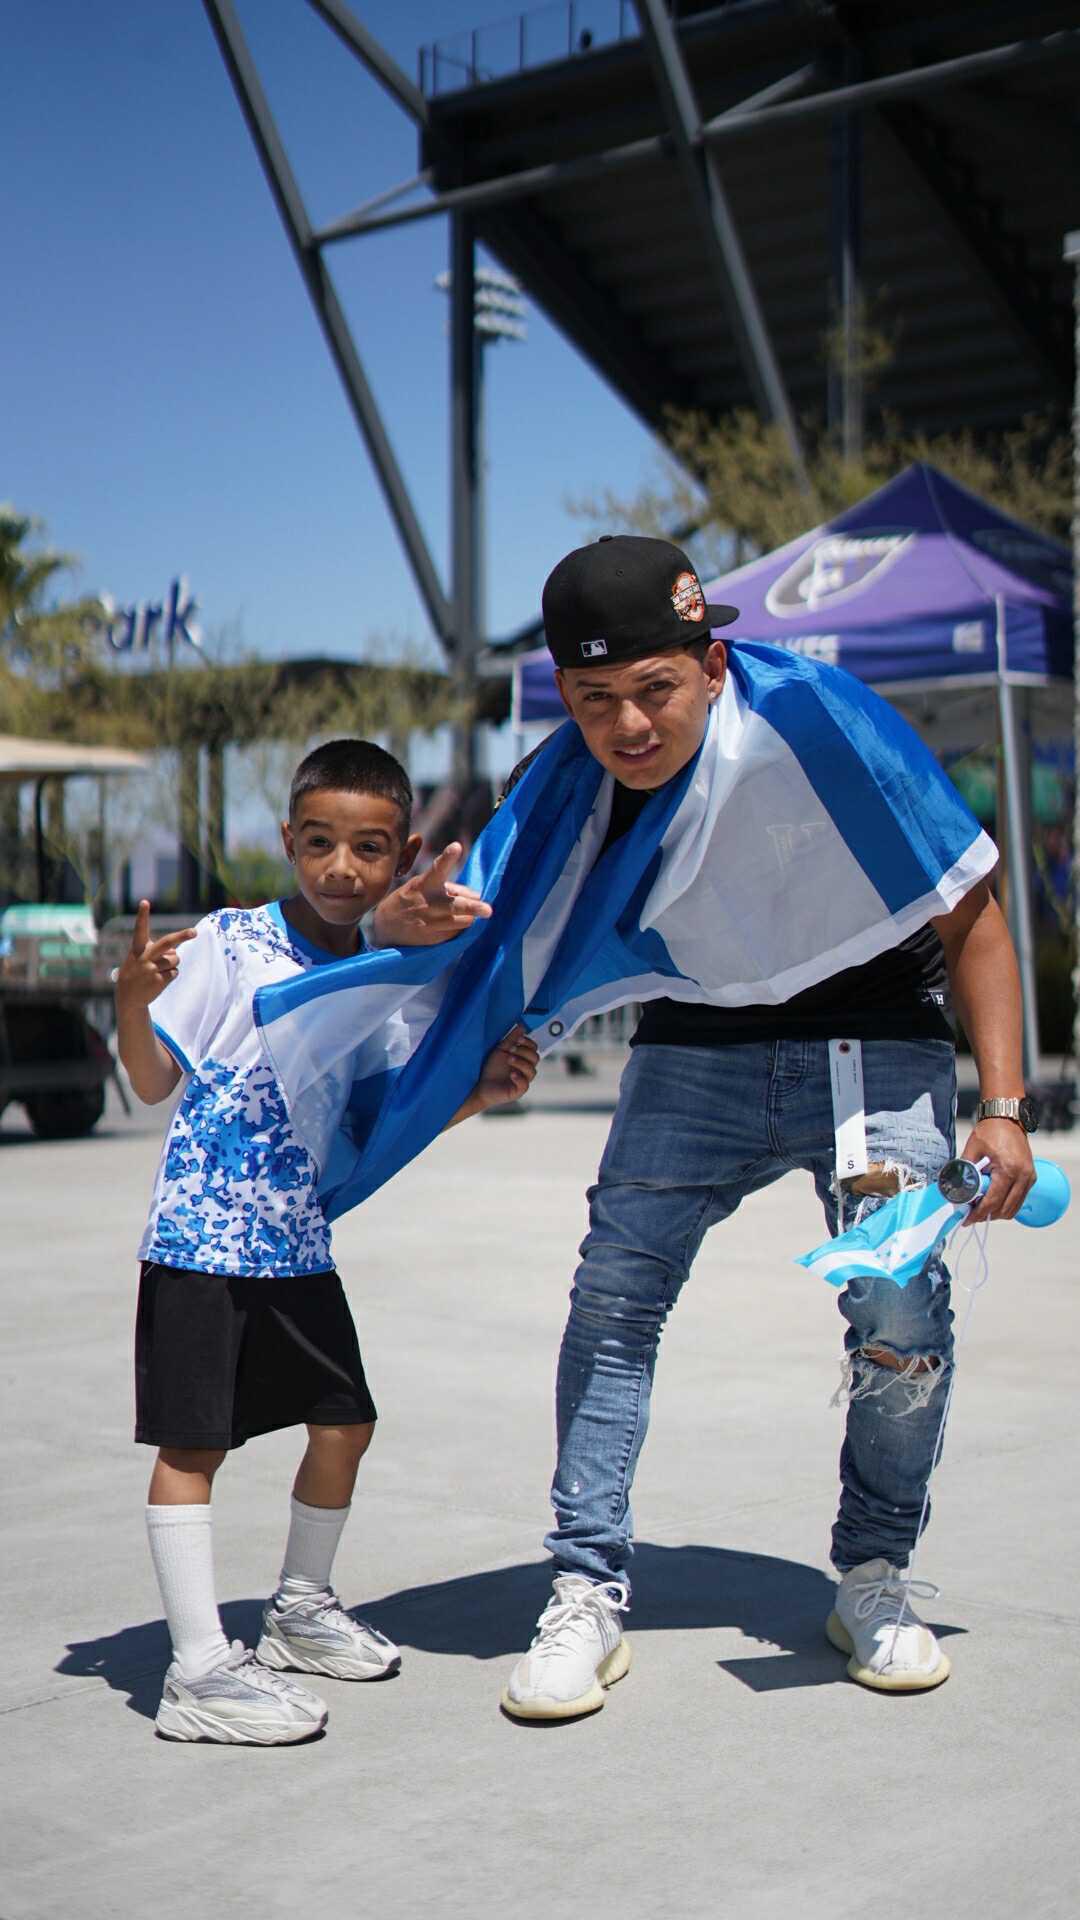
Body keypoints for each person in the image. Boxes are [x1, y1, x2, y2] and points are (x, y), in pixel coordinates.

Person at [500, 535, 1036, 1720]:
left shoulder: (818, 722)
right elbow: (493, 950)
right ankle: (585, 1587)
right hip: (693, 1050)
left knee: (900, 1308)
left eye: (655, 689)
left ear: (711, 661)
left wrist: (1002, 1110)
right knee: (613, 1299)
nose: (627, 725)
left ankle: (874, 1574)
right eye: (594, 698)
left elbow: (973, 914)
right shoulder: (562, 789)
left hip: (871, 1046)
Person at [117, 737, 537, 1744]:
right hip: (202, 1244)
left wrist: (478, 1094)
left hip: (296, 1245)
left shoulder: (381, 979)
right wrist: (131, 999)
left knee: (344, 1422)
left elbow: (374, 1124)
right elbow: (151, 1081)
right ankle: (197, 1671)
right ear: (289, 840)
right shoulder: (229, 943)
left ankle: (299, 1608)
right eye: (319, 843)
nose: (341, 868)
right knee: (193, 1446)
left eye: (368, 848)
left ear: (406, 855)